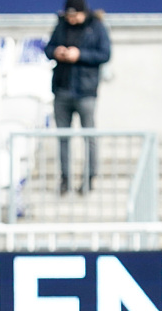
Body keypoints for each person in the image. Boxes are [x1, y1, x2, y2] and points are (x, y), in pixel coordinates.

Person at [44, 0, 111, 195]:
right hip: (62, 89)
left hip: (85, 91)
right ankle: (65, 178)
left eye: (75, 16)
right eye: (69, 16)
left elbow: (105, 54)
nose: (71, 20)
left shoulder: (96, 26)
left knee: (88, 136)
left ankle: (89, 178)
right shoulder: (61, 25)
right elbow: (48, 48)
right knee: (63, 138)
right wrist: (56, 52)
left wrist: (79, 55)